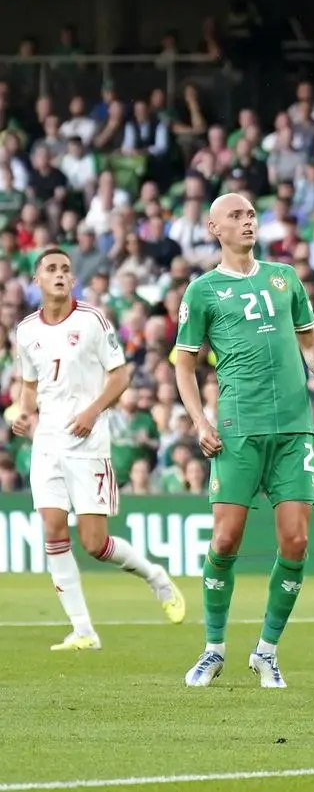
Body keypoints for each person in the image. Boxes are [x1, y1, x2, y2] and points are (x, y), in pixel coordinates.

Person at [174, 192, 314, 689]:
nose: (248, 221)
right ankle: (213, 648)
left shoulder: (284, 277)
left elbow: (309, 340)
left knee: (296, 540)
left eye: (251, 214)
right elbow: (184, 362)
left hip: (293, 427)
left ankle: (266, 651)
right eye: (236, 216)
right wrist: (200, 422)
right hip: (237, 431)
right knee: (225, 541)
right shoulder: (202, 292)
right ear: (213, 227)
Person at [12, 248, 185, 651]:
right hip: (48, 443)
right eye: (50, 269)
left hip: (88, 442)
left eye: (65, 270)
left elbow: (121, 376)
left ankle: (155, 576)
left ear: (73, 280)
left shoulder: (92, 320)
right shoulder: (25, 331)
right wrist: (23, 413)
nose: (59, 274)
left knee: (94, 544)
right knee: (53, 531)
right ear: (36, 280)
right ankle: (83, 630)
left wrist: (92, 411)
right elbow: (30, 385)